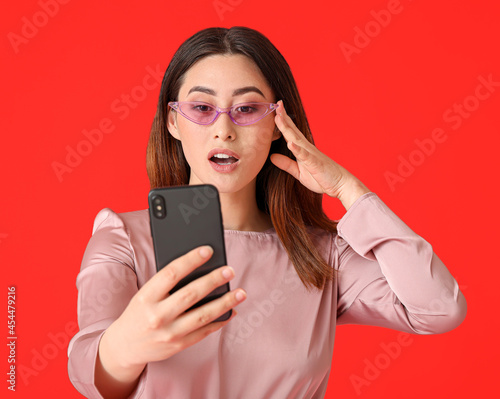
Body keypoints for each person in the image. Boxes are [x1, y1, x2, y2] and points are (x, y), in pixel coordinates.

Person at [67, 26, 467, 399]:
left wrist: (347, 189)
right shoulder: (124, 239)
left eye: (246, 109)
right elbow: (88, 371)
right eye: (202, 107)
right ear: (173, 122)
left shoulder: (320, 256)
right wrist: (123, 347)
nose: (223, 129)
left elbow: (439, 308)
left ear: (278, 124)